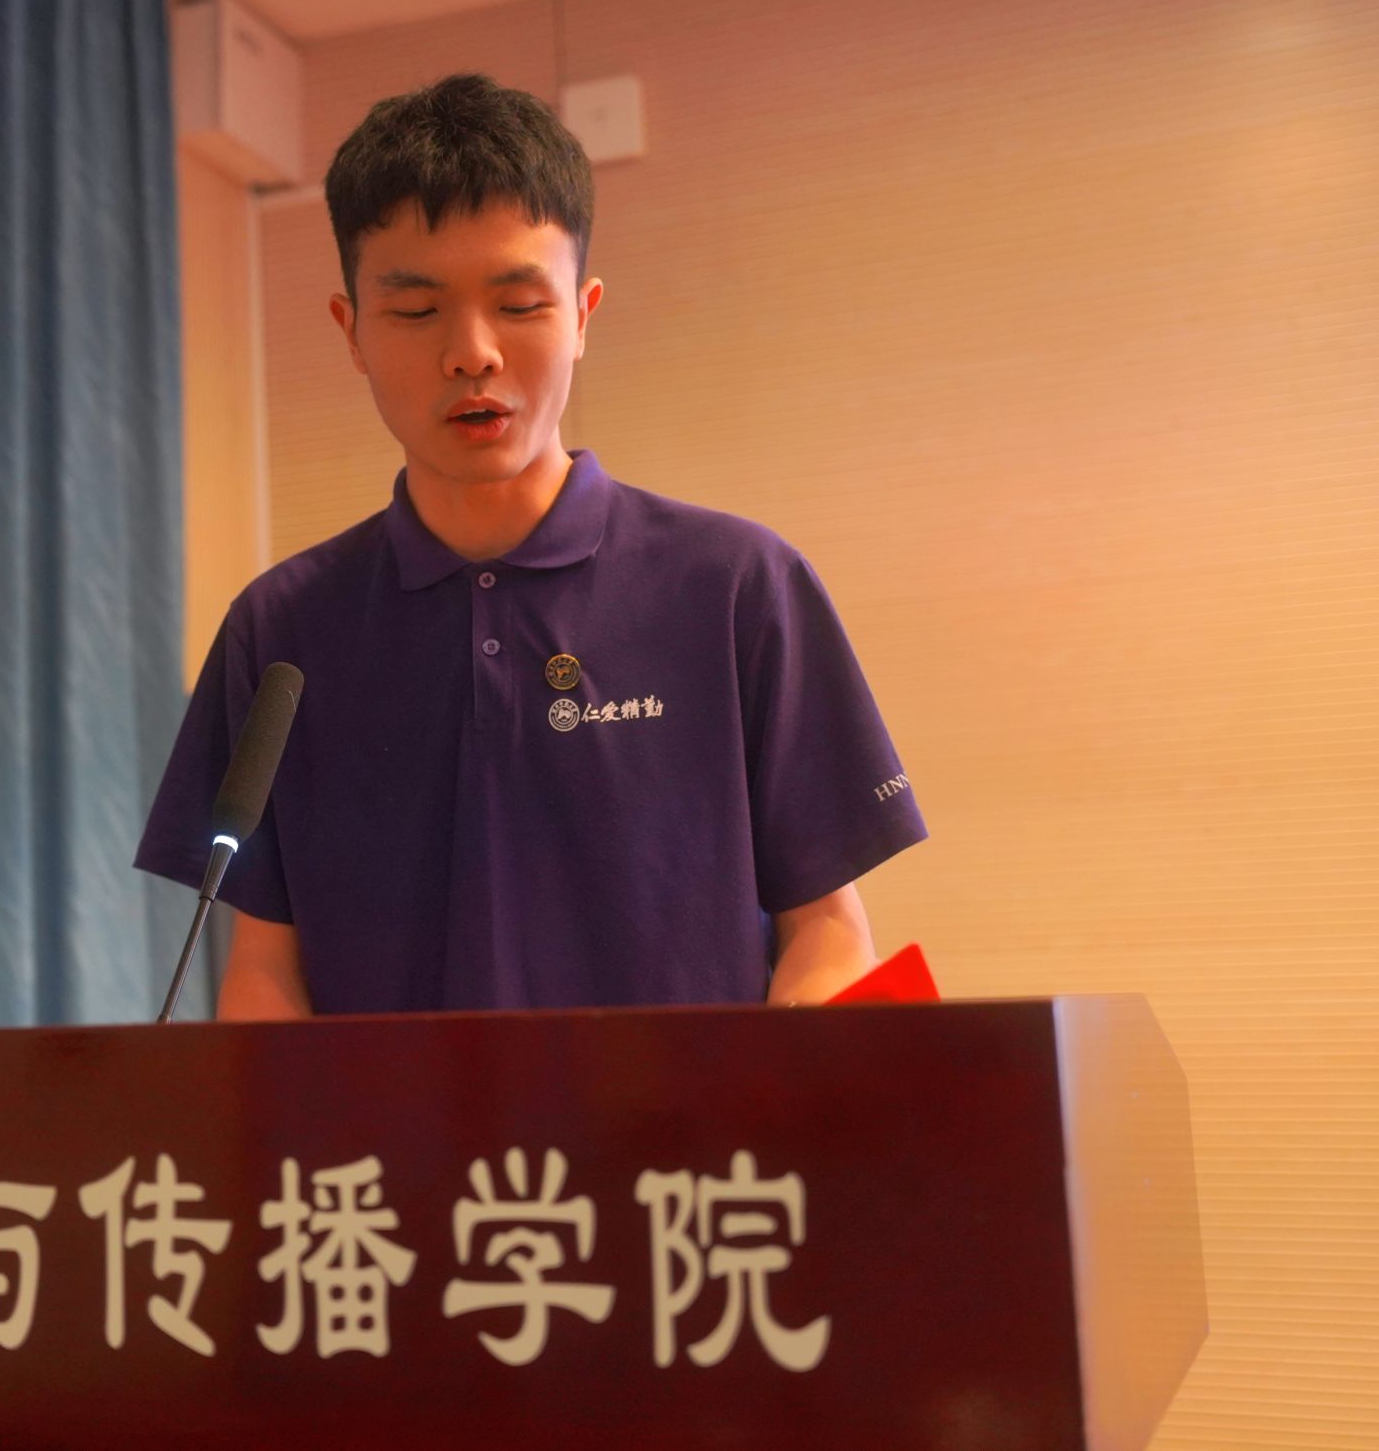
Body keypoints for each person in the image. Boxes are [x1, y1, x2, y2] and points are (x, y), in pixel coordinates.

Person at [136, 73, 926, 1020]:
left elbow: (827, 930)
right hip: (387, 1127)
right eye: (416, 311)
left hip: (689, 1125)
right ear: (350, 331)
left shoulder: (738, 588)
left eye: (518, 305)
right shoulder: (280, 632)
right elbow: (265, 968)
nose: (472, 352)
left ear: (583, 314)